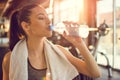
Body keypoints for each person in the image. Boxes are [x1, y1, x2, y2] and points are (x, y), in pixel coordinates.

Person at [2, 3, 101, 80]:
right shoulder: (10, 59)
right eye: (41, 18)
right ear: (26, 26)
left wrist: (79, 44)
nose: (49, 21)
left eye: (48, 16)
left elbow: (95, 73)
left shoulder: (60, 52)